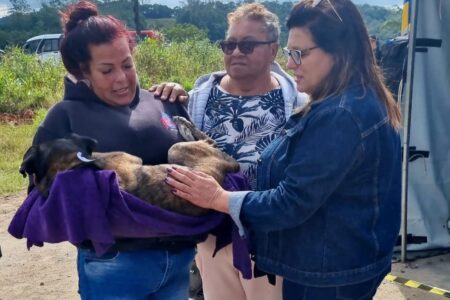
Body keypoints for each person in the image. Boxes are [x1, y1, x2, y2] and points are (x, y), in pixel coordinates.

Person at [165, 0, 402, 299]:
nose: (291, 64)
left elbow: (291, 202)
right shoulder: (357, 100)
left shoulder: (340, 114)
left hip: (325, 273)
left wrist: (217, 198)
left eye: (300, 54)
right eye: (292, 53)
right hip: (340, 262)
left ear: (341, 52)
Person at [28, 1, 201, 298]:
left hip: (178, 258)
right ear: (83, 73)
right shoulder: (67, 115)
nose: (121, 79)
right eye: (106, 70)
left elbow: (198, 154)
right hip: (116, 264)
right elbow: (42, 194)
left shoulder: (159, 100)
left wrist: (177, 102)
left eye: (127, 64)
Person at [151, 3, 307, 300]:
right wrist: (165, 95)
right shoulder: (196, 100)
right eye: (230, 44)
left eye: (247, 45)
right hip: (213, 236)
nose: (236, 52)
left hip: (271, 235)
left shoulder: (299, 104)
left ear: (273, 50)